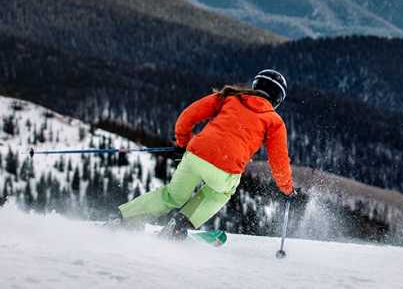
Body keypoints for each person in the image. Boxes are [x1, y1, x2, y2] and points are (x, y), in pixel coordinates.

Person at [116, 69, 294, 239]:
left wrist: (182, 144)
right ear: (278, 99)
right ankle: (178, 227)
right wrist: (287, 189)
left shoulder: (229, 97)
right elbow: (278, 162)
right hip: (226, 169)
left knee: (172, 195)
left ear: (255, 85)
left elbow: (187, 116)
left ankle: (125, 218)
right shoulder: (274, 121)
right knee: (219, 194)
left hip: (195, 155)